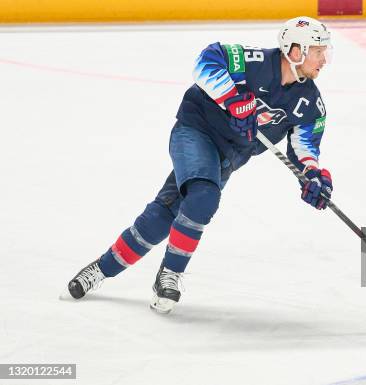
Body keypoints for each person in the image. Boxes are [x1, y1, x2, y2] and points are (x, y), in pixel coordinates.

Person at [67, 16, 334, 314]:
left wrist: (313, 176)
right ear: (295, 51)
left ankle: (101, 269)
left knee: (164, 214)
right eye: (319, 50)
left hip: (228, 157)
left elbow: (304, 146)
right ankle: (170, 274)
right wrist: (232, 98)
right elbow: (207, 60)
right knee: (204, 197)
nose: (324, 59)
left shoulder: (311, 102)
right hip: (196, 131)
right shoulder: (255, 61)